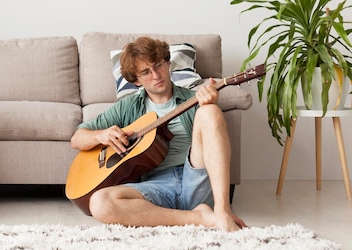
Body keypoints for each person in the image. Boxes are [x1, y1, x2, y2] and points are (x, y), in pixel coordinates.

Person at [70, 36, 246, 232]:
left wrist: (210, 105)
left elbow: (214, 143)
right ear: (136, 81)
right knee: (99, 203)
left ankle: (222, 212)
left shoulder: (194, 98)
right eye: (146, 72)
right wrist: (100, 136)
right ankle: (199, 218)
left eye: (158, 65)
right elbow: (77, 137)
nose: (156, 75)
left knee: (210, 112)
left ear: (168, 63)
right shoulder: (128, 107)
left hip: (195, 179)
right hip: (154, 187)